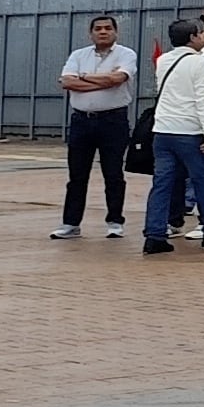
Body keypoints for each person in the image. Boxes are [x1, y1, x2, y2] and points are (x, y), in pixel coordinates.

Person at [145, 14, 204, 251]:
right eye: (201, 32)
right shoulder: (202, 63)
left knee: (162, 182)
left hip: (163, 129)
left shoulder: (163, 60)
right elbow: (203, 100)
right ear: (193, 37)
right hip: (190, 130)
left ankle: (154, 234)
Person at [56, 13, 137, 239]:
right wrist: (101, 81)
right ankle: (71, 224)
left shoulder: (126, 54)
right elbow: (67, 82)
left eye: (107, 28)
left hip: (113, 121)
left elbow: (117, 80)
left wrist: (84, 78)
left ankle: (114, 221)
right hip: (82, 121)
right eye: (98, 28)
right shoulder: (78, 55)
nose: (103, 32)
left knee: (113, 173)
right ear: (90, 33)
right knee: (77, 175)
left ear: (115, 32)